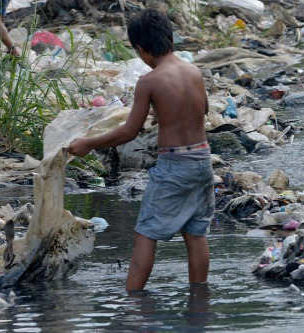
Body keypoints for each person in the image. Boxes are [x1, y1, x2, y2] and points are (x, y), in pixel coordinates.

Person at [68, 9, 214, 291]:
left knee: (145, 235)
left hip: (175, 166)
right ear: (169, 38)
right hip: (203, 160)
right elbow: (203, 109)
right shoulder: (193, 70)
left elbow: (129, 131)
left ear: (141, 49)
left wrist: (88, 143)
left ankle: (133, 300)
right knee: (196, 234)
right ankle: (199, 297)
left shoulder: (149, 81)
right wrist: (167, 115)